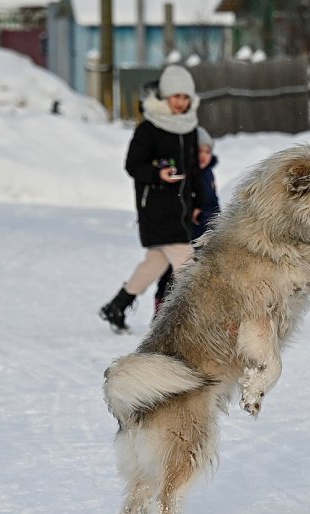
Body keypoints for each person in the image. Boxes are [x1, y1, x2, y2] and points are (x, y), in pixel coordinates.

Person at [99, 65, 204, 334]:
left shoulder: (190, 129)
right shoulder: (149, 129)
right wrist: (158, 174)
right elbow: (133, 165)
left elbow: (193, 171)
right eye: (176, 96)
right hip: (156, 208)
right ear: (165, 97)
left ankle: (117, 306)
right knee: (188, 267)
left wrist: (198, 203)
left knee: (156, 262)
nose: (181, 103)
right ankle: (194, 324)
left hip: (181, 209)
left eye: (186, 97)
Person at [152, 126, 220, 314]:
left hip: (202, 237)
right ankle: (161, 313)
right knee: (171, 276)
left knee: (199, 278)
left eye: (207, 151)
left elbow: (213, 204)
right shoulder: (183, 175)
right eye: (199, 151)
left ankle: (195, 315)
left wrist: (213, 221)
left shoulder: (208, 175)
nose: (203, 156)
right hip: (181, 236)